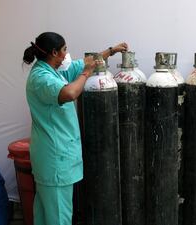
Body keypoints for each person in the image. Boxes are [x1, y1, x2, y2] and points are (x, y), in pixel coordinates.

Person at [22, 31, 128, 225]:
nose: (66, 53)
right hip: (55, 158)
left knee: (47, 213)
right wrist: (86, 73)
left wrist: (111, 50)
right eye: (64, 49)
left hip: (55, 156)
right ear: (54, 53)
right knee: (58, 216)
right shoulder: (42, 78)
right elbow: (71, 93)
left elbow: (87, 62)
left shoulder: (54, 70)